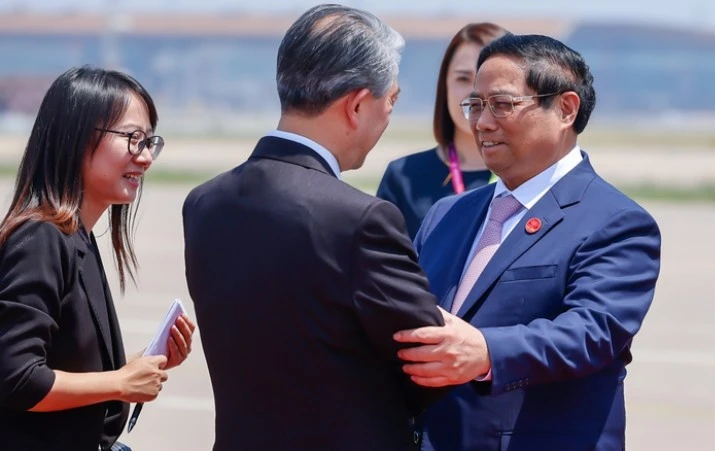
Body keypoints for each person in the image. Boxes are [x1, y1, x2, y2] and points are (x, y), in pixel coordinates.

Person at [182, 5, 445, 451]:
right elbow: (426, 366)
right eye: (391, 101)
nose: (388, 116)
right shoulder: (361, 218)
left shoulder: (204, 202)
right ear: (358, 104)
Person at [394, 33, 662, 450]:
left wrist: (486, 351)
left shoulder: (615, 222)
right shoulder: (447, 215)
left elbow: (592, 333)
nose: (481, 122)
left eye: (502, 105)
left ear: (565, 109)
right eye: (475, 105)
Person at [0, 66, 196, 451]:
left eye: (150, 141)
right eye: (132, 139)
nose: (145, 158)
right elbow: (15, 378)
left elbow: (60, 365)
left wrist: (142, 364)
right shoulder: (41, 237)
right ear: (76, 137)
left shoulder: (76, 236)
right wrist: (121, 383)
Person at [376, 22, 507, 238]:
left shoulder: (531, 175)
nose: (474, 93)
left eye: (489, 79)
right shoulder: (405, 176)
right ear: (444, 85)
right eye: (463, 78)